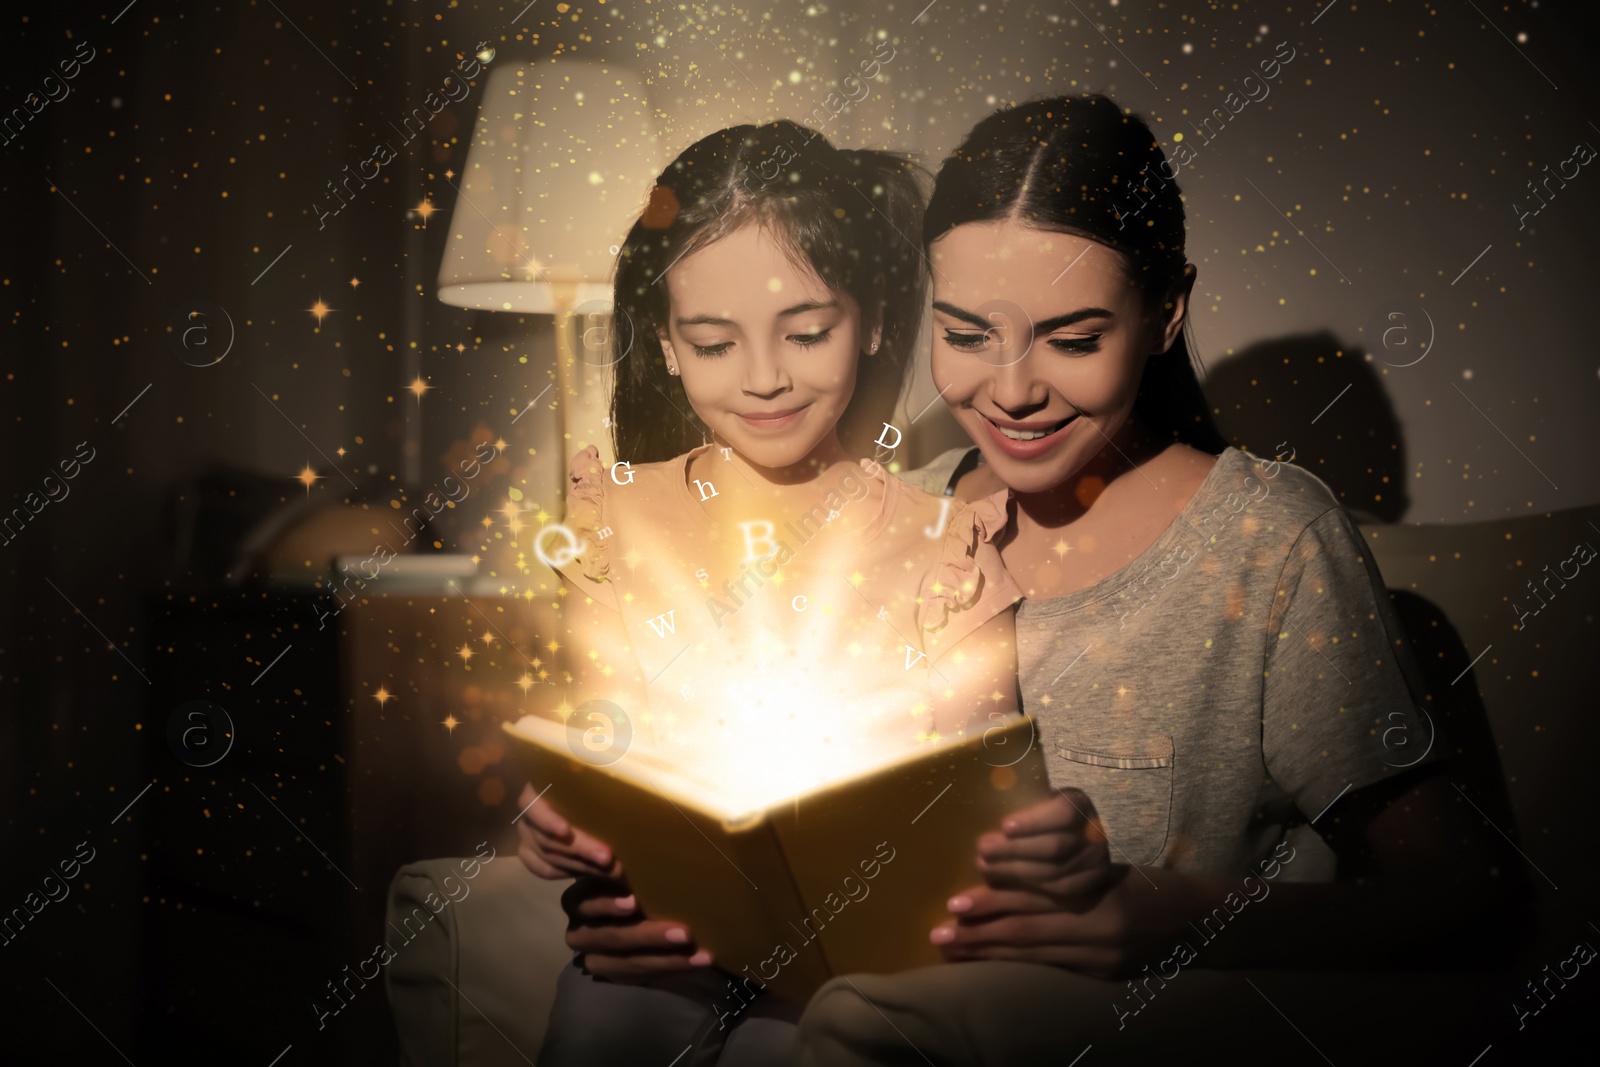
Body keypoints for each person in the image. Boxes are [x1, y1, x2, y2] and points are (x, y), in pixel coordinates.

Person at [519, 95, 1518, 1065]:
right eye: (964, 334)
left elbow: (1462, 900)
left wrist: (1168, 913)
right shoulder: (895, 514)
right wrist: (627, 887)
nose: (1009, 389)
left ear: (1165, 311)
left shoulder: (1267, 540)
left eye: (1072, 338)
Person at [526, 120, 1024, 1066]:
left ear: (871, 319)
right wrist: (560, 817)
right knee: (603, 1031)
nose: (764, 379)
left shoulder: (941, 541)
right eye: (714, 344)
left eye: (805, 332)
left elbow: (980, 789)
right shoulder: (615, 519)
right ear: (667, 346)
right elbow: (595, 731)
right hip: (661, 943)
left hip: (853, 947)